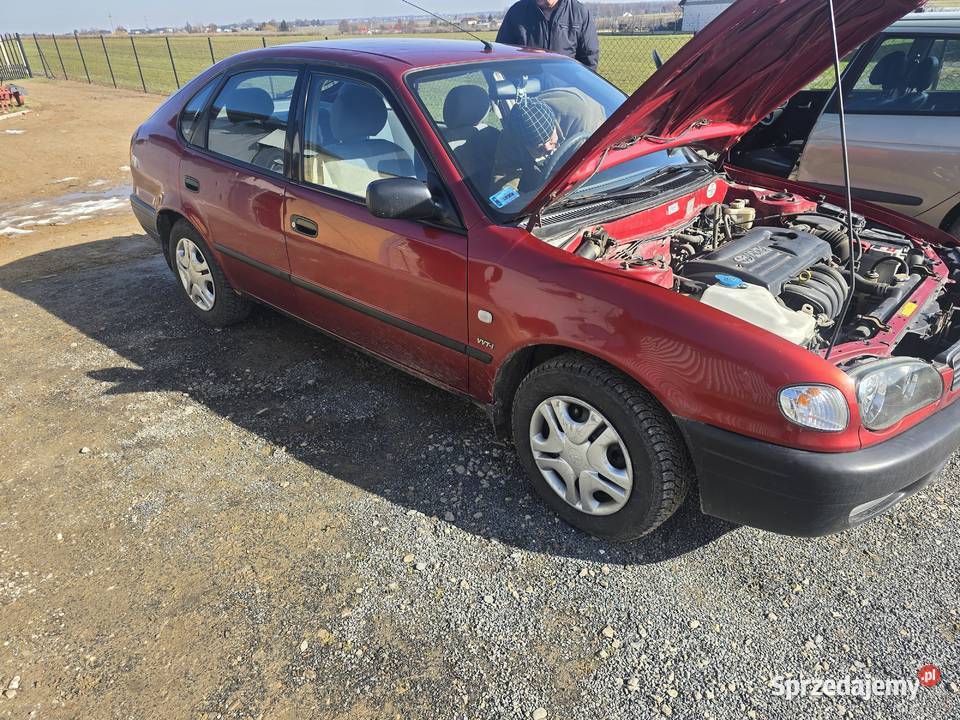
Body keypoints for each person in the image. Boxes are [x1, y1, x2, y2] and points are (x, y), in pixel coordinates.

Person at [496, 0, 600, 72]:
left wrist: (578, 85)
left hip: (566, 89)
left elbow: (589, 57)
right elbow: (502, 53)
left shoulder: (579, 13)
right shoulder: (517, 12)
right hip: (527, 90)